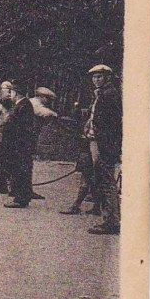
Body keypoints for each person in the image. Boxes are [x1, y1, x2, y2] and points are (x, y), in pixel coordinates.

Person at [84, 64, 122, 235]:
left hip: (104, 144)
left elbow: (112, 124)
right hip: (97, 141)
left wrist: (102, 141)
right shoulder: (100, 94)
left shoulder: (109, 95)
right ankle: (109, 217)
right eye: (94, 77)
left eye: (100, 77)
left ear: (107, 78)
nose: (96, 80)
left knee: (106, 181)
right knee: (103, 179)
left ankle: (111, 221)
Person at [1, 80, 36, 208]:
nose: (10, 94)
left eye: (11, 92)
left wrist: (7, 116)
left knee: (21, 171)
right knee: (18, 170)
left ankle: (20, 198)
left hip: (20, 144)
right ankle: (19, 196)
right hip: (18, 144)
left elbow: (18, 126)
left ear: (16, 93)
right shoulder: (20, 104)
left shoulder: (24, 105)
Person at [28, 87, 59, 200]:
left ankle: (24, 188)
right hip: (27, 137)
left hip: (30, 136)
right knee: (25, 164)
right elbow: (44, 112)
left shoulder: (34, 102)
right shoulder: (34, 103)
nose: (49, 102)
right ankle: (24, 190)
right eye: (48, 99)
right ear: (42, 97)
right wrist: (55, 115)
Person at [59, 135, 102, 216]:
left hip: (92, 146)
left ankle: (76, 206)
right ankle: (96, 207)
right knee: (92, 178)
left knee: (87, 178)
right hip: (91, 145)